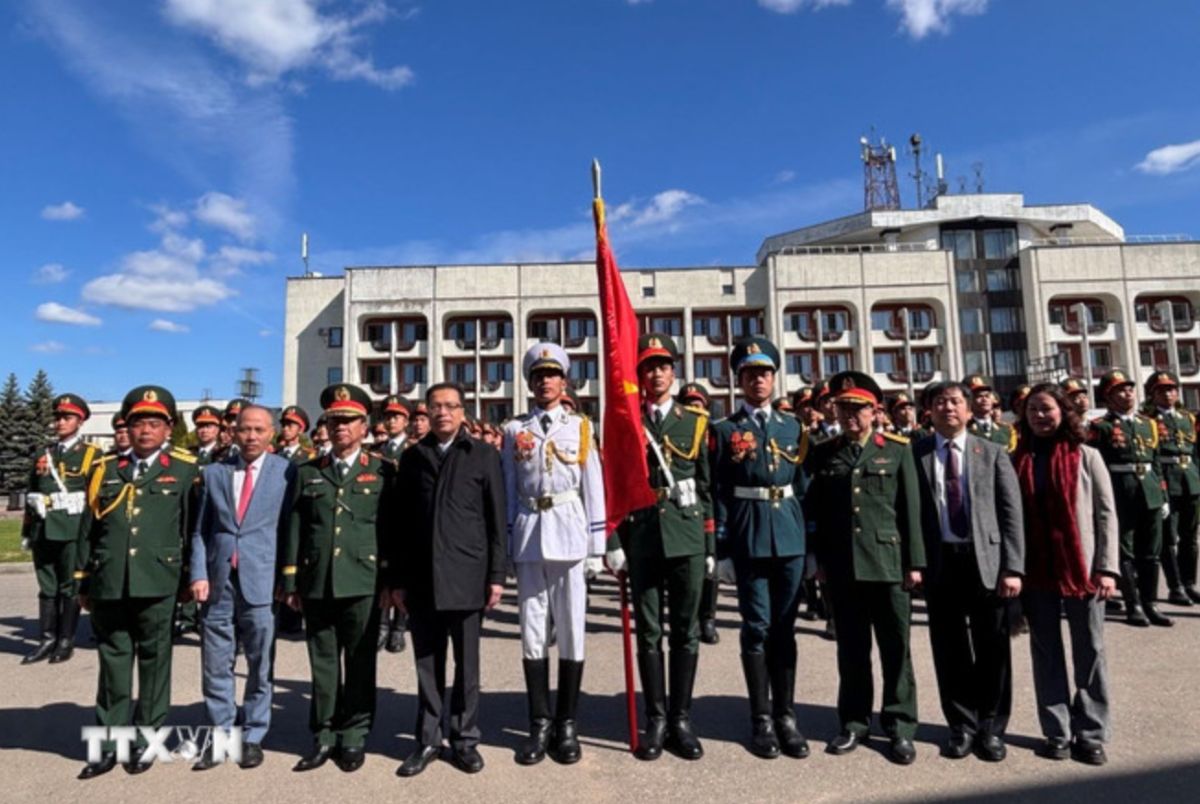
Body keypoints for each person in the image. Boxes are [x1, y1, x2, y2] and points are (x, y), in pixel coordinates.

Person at [76, 386, 202, 778]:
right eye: (137, 423)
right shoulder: (104, 468)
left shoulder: (184, 469)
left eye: (154, 423)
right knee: (112, 663)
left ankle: (146, 742)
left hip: (159, 580)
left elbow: (190, 526)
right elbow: (89, 528)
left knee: (154, 663)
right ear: (125, 427)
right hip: (110, 579)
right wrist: (82, 578)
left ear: (169, 428)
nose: (145, 430)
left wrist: (187, 579)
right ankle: (107, 745)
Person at [804, 371, 924, 765]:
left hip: (888, 565)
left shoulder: (897, 449)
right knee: (852, 652)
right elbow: (818, 512)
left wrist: (914, 563)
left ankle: (900, 725)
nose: (850, 415)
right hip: (843, 567)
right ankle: (854, 723)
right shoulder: (824, 451)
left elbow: (910, 511)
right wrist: (819, 560)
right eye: (843, 408)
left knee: (896, 650)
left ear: (875, 411)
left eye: (858, 408)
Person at [390, 383, 506, 777]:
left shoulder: (483, 454)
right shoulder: (413, 457)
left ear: (462, 412)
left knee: (467, 667)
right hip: (422, 579)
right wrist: (398, 579)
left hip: (468, 575)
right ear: (427, 412)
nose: (442, 412)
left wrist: (496, 576)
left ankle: (465, 740)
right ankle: (427, 741)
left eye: (450, 406)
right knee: (428, 665)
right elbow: (400, 525)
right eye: (435, 406)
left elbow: (495, 521)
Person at [607, 334, 713, 762]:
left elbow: (706, 487)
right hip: (644, 537)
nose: (656, 373)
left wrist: (709, 544)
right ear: (640, 374)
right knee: (649, 631)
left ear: (674, 372)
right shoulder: (626, 421)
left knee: (685, 630)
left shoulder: (696, 422)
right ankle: (655, 718)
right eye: (648, 366)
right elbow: (612, 485)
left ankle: (681, 719)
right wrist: (613, 541)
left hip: (686, 536)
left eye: (663, 365)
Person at [282, 383, 397, 773]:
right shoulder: (308, 472)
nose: (340, 427)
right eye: (333, 421)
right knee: (324, 662)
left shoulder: (383, 471)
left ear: (365, 426)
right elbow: (294, 526)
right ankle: (324, 734)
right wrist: (292, 581)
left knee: (361, 661)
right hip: (317, 581)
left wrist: (388, 581)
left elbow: (390, 531)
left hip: (363, 580)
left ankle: (354, 734)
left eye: (348, 421)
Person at [502, 343, 606, 766]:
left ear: (564, 382)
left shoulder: (581, 427)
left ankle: (567, 725)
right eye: (537, 376)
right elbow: (510, 489)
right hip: (529, 533)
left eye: (552, 375)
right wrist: (508, 543)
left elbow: (593, 487)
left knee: (571, 629)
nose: (545, 382)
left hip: (569, 531)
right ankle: (538, 723)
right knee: (531, 631)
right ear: (529, 383)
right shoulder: (514, 431)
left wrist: (597, 547)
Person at [912, 381, 1024, 762]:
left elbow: (1011, 514)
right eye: (940, 402)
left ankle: (991, 727)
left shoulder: (991, 452)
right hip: (941, 562)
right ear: (929, 410)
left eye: (956, 401)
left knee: (993, 648)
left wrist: (1013, 567)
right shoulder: (917, 453)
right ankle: (961, 725)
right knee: (949, 648)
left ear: (969, 408)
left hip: (987, 564)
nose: (948, 408)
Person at [710, 337, 811, 760]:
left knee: (785, 628)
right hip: (749, 536)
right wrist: (722, 549)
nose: (758, 380)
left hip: (789, 536)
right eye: (750, 373)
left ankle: (786, 716)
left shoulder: (794, 427)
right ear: (739, 380)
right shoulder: (724, 430)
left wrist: (813, 545)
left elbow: (805, 490)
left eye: (765, 372)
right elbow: (717, 491)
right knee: (757, 628)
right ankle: (761, 718)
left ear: (774, 377)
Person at [1015, 383, 1119, 766]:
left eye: (1047, 409)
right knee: (1046, 652)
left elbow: (1106, 514)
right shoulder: (1017, 459)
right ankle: (1056, 731)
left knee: (1089, 650)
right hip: (1037, 569)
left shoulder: (1086, 456)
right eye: (1032, 411)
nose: (1040, 417)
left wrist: (1107, 568)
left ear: (1062, 412)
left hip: (1083, 568)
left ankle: (1091, 732)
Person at [190, 405, 296, 770]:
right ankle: (221, 732)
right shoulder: (215, 473)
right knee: (215, 661)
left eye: (259, 430)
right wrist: (198, 574)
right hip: (218, 580)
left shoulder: (286, 472)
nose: (251, 436)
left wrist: (287, 578)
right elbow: (201, 530)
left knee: (259, 661)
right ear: (232, 432)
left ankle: (252, 734)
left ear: (271, 434)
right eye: (244, 429)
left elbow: (289, 531)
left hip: (262, 580)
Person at [1088, 370, 1171, 626]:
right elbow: (1094, 465)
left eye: (1130, 388)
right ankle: (1133, 604)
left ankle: (1151, 603)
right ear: (1108, 397)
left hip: (1150, 492)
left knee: (1151, 551)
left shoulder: (1148, 424)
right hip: (1120, 492)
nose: (1127, 393)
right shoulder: (1099, 427)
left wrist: (1163, 494)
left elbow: (1155, 462)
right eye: (1120, 390)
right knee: (1125, 550)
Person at [22, 393, 100, 665]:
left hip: (73, 530)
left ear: (80, 421)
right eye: (57, 417)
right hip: (43, 529)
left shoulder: (92, 455)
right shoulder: (44, 454)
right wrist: (26, 531)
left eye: (66, 418)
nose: (60, 422)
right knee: (47, 586)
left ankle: (65, 640)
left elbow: (96, 498)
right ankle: (46, 639)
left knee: (70, 586)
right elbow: (33, 490)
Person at [1142, 371, 1200, 606]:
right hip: (1167, 481)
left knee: (1191, 537)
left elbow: (1195, 452)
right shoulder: (1148, 420)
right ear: (1152, 394)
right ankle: (1175, 586)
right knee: (1169, 538)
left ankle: (1189, 583)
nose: (1169, 393)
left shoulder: (1188, 418)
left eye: (1172, 389)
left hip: (1191, 481)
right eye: (1162, 390)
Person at [678, 382, 721, 646]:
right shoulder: (680, 432)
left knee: (711, 566)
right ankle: (691, 617)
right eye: (689, 405)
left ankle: (709, 617)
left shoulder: (715, 433)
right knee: (690, 568)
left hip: (715, 502)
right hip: (691, 502)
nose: (694, 409)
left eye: (698, 405)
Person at [373, 395, 412, 654]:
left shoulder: (414, 450)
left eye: (396, 416)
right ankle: (382, 624)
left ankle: (399, 627)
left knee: (401, 575)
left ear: (406, 420)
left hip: (404, 521)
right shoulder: (377, 451)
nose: (391, 421)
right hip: (380, 519)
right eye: (387, 416)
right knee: (381, 575)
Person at [964, 376, 1016, 452]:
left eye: (987, 396)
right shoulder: (964, 429)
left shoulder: (1006, 429)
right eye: (979, 396)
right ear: (970, 401)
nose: (984, 399)